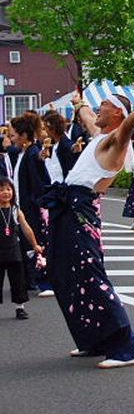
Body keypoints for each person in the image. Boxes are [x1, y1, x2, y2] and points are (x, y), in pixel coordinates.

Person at [40, 91, 134, 368]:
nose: (98, 108)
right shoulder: (98, 135)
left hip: (81, 211)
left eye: (105, 105)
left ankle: (127, 347)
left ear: (119, 113)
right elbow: (86, 116)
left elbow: (126, 129)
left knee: (90, 276)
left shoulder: (116, 141)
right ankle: (94, 338)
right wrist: (79, 103)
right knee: (63, 273)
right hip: (68, 207)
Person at [9, 113, 51, 295]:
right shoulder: (25, 152)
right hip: (23, 205)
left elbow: (37, 182)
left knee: (35, 243)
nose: (13, 137)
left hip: (30, 207)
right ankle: (30, 279)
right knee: (27, 243)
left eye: (15, 134)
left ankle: (41, 280)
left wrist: (35, 205)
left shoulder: (33, 153)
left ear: (24, 135)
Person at [0, 177, 43, 319]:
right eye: (1, 190)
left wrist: (35, 244)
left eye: (8, 189)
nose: (6, 192)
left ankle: (20, 308)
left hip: (14, 250)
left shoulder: (15, 209)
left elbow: (26, 228)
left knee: (18, 280)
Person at [40, 111, 78, 183]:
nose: (45, 132)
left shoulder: (66, 145)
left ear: (53, 129)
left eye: (45, 129)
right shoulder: (52, 145)